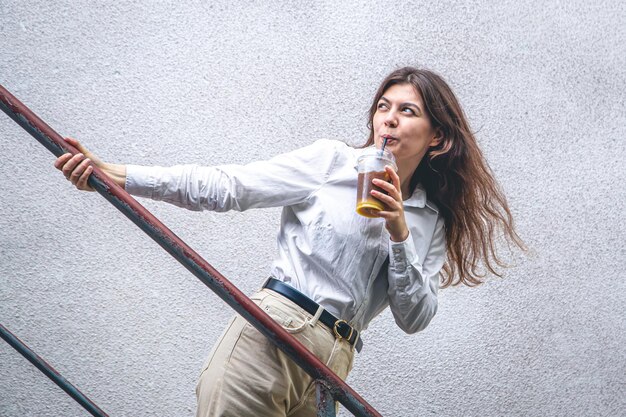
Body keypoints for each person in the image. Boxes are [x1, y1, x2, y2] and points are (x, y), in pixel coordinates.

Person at [54, 67, 525, 417]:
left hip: (334, 365)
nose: (390, 120)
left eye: (408, 111)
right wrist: (116, 175)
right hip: (275, 332)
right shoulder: (333, 162)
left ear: (437, 137)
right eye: (384, 106)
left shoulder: (429, 221)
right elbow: (227, 186)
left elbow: (415, 317)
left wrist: (399, 231)